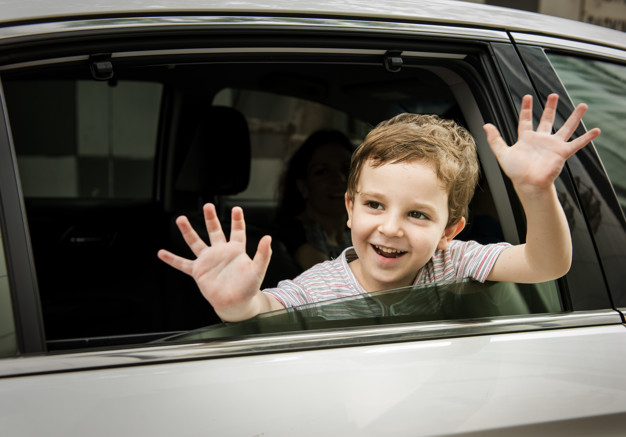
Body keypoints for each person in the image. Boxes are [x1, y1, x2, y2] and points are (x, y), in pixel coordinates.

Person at [158, 94, 600, 323]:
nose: (390, 228)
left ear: (451, 229)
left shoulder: (456, 261)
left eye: (418, 214)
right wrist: (238, 304)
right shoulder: (321, 284)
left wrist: (536, 191)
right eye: (374, 204)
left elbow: (546, 264)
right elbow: (266, 311)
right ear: (348, 208)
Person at [275, 130, 354, 270]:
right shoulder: (295, 234)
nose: (339, 179)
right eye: (322, 172)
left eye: (346, 169)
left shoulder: (354, 233)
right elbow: (330, 284)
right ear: (303, 186)